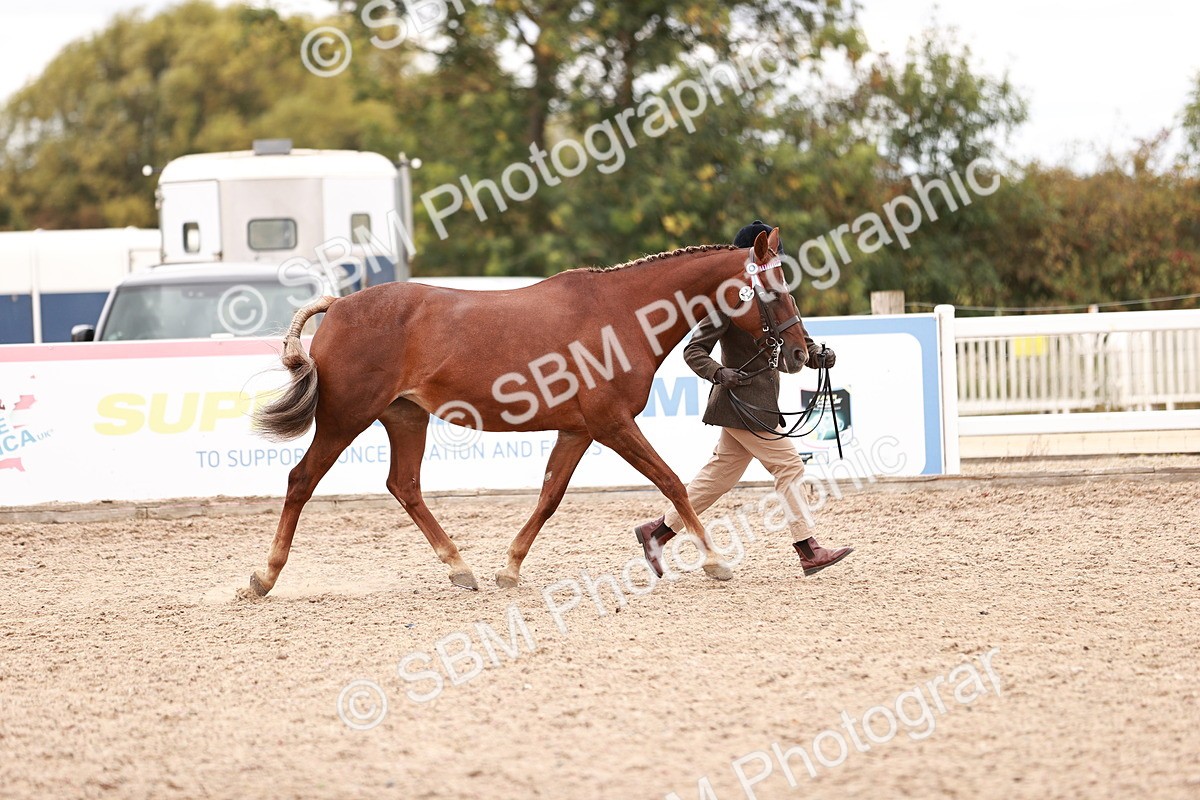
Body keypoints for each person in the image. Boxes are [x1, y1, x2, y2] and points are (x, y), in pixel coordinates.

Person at [633, 220, 854, 578]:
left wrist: (818, 356)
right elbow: (694, 350)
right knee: (790, 467)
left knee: (718, 478)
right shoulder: (729, 302)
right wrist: (719, 373)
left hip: (762, 405)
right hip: (740, 403)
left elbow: (800, 343)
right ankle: (807, 548)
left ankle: (656, 532)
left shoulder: (781, 296)